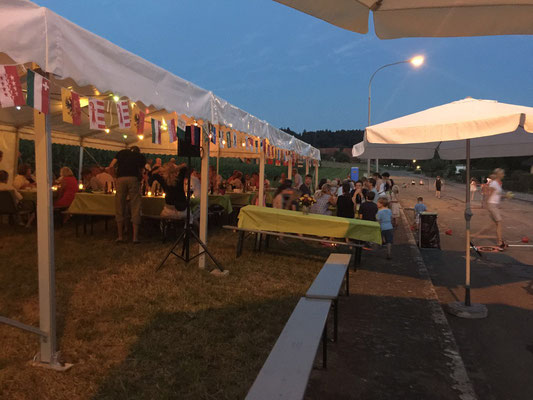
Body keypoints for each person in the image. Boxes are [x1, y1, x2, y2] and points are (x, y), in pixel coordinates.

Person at [108, 146, 146, 243]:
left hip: (121, 179)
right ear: (138, 151)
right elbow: (142, 171)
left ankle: (120, 236)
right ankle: (135, 238)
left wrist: (115, 177)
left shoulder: (121, 152)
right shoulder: (140, 156)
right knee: (135, 206)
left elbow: (111, 166)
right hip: (133, 179)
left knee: (120, 205)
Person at [486, 168, 506, 250]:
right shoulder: (494, 183)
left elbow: (497, 195)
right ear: (498, 174)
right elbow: (489, 194)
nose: (503, 175)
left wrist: (505, 196)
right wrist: (487, 204)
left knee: (494, 224)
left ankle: (474, 236)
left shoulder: (498, 183)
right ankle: (500, 242)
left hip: (494, 205)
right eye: (502, 173)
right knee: (499, 222)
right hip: (492, 205)